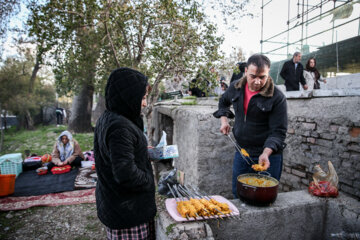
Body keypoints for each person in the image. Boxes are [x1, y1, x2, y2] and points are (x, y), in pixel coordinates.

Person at [213, 54, 288, 198]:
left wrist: (266, 153)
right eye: (253, 76)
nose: (258, 82)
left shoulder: (277, 97)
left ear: (268, 73)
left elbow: (278, 132)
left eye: (262, 77)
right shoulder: (236, 87)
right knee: (239, 194)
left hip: (268, 156)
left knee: (264, 197)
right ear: (246, 71)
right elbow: (223, 102)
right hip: (242, 151)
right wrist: (224, 120)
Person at [94, 68, 156, 240]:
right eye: (142, 98)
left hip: (117, 203)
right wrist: (148, 181)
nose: (144, 103)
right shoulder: (119, 127)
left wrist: (144, 152)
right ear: (129, 96)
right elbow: (125, 173)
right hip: (126, 210)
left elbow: (117, 154)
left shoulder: (110, 117)